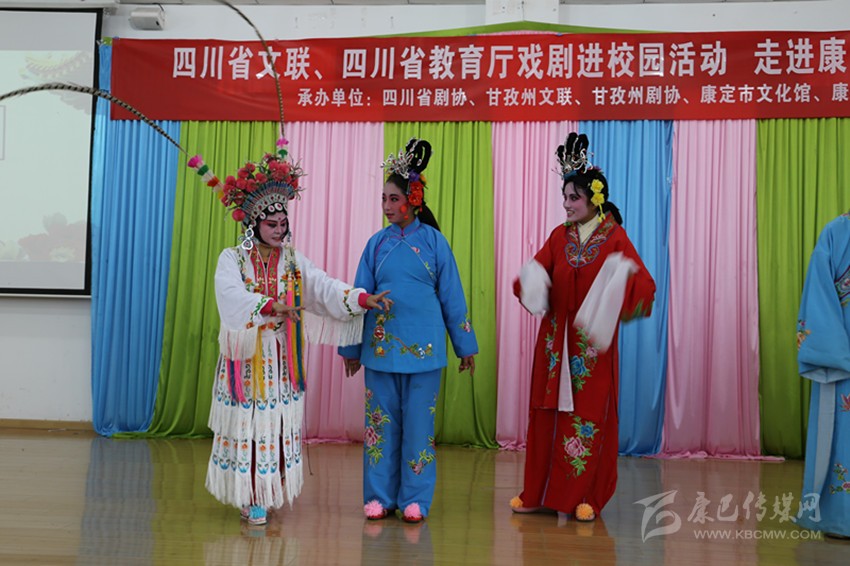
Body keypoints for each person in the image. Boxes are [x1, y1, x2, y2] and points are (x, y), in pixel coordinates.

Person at [194, 143, 392, 527]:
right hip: (247, 358)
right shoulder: (232, 258)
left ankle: (270, 491)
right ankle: (250, 495)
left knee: (278, 425)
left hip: (282, 360)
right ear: (254, 223)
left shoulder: (292, 260)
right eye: (272, 224)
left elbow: (322, 287)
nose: (280, 230)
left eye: (283, 223)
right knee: (248, 425)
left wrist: (361, 298)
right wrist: (270, 306)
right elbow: (230, 296)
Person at [510, 132, 656, 522]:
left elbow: (644, 285)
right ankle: (539, 493)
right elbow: (534, 273)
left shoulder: (614, 237)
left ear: (594, 198)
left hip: (590, 350)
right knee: (547, 416)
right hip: (554, 346)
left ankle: (586, 496)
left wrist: (621, 281)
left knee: (589, 419)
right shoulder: (559, 237)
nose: (566, 204)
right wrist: (533, 282)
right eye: (564, 197)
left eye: (573, 197)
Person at [338, 138, 478, 523]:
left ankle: (416, 498)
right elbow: (358, 297)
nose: (387, 206)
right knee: (379, 427)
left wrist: (464, 345)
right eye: (383, 199)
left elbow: (452, 297)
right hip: (381, 351)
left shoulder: (434, 243)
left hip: (425, 353)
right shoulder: (375, 245)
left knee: (419, 427)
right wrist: (351, 349)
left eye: (394, 199)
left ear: (413, 200)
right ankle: (379, 497)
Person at [795, 210, 850, 540]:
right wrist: (836, 353)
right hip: (844, 359)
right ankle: (840, 516)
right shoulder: (836, 233)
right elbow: (818, 293)